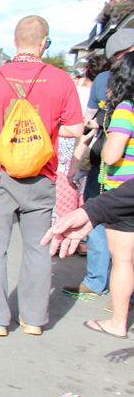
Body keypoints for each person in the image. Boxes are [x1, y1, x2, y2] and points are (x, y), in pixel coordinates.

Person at [0, 15, 83, 336]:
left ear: (15, 42)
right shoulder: (61, 79)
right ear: (44, 43)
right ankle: (33, 319)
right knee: (38, 248)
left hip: (0, 175)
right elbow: (74, 128)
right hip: (42, 176)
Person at [63, 34, 134, 300]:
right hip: (104, 169)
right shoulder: (104, 81)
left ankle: (106, 289)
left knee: (103, 226)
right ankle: (99, 282)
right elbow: (88, 124)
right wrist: (76, 161)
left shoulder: (124, 104)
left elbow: (105, 145)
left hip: (113, 172)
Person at [74, 53, 134, 338]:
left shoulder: (126, 108)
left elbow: (112, 154)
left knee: (123, 260)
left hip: (123, 192)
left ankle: (117, 323)